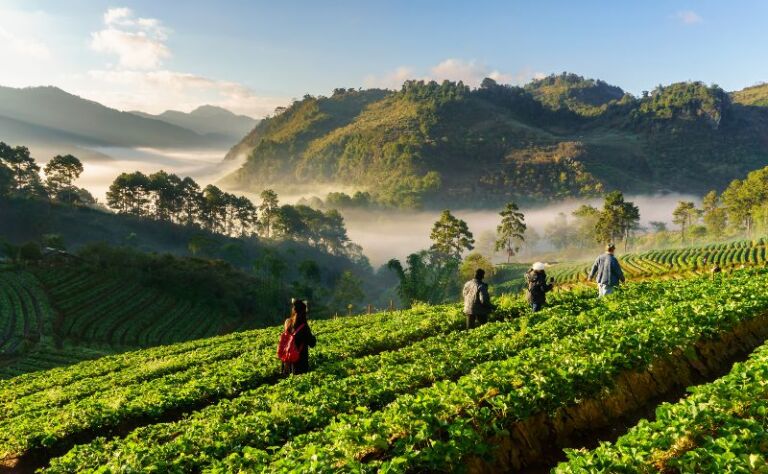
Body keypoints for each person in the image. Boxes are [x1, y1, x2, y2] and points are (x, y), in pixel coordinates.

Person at [281, 299, 317, 375]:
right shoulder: (304, 327)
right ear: (304, 312)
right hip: (300, 364)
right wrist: (313, 337)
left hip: (288, 361)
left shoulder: (288, 322)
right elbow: (312, 343)